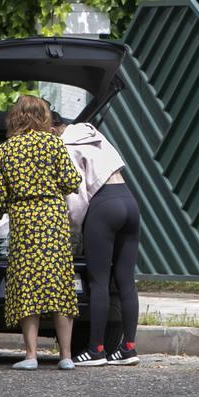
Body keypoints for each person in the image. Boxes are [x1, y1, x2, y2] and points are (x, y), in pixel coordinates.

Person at [0, 95, 81, 370]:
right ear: (44, 116)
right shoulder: (53, 143)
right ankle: (66, 356)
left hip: (24, 222)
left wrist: (8, 205)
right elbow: (71, 180)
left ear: (16, 116)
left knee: (27, 286)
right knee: (59, 285)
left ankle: (31, 356)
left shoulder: (6, 149)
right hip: (53, 221)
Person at [59, 119, 141, 366]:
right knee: (126, 281)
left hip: (103, 206)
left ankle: (96, 349)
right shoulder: (96, 135)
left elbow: (77, 197)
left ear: (54, 129)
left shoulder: (66, 144)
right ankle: (129, 348)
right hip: (129, 200)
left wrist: (72, 229)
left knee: (99, 281)